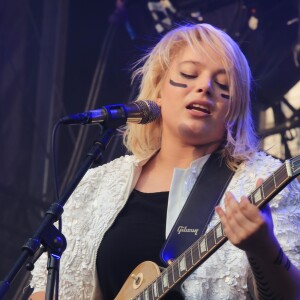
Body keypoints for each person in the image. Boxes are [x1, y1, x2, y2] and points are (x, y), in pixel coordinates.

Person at [28, 23, 300, 299]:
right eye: (189, 74)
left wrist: (264, 249)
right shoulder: (98, 184)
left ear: (235, 108)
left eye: (223, 84)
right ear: (158, 93)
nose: (204, 87)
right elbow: (45, 289)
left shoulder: (263, 182)